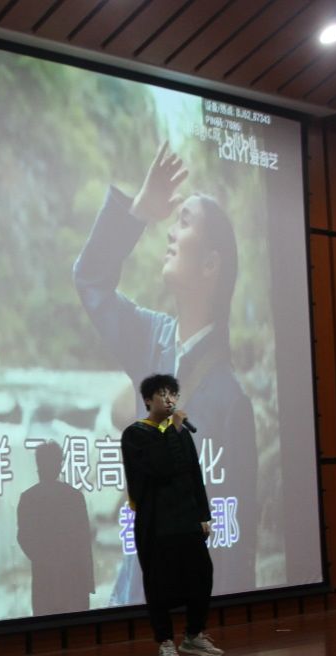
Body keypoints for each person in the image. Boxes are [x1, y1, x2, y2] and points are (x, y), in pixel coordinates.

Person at [75, 141, 258, 600]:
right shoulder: (150, 338)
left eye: (185, 222)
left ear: (211, 264)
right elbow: (91, 280)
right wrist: (137, 214)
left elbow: (236, 550)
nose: (171, 233)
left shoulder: (231, 402)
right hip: (132, 593)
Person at [122, 373, 224, 656]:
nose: (169, 400)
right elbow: (159, 467)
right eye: (162, 394)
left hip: (186, 518)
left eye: (173, 394)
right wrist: (173, 429)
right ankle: (165, 642)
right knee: (158, 583)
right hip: (155, 522)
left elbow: (194, 474)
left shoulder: (179, 433)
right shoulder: (135, 434)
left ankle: (193, 634)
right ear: (147, 400)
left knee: (202, 574)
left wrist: (203, 515)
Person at [17, 442, 95, 616]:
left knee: (46, 630)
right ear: (59, 466)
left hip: (44, 582)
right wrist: (89, 583)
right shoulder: (75, 497)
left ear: (38, 467)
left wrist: (43, 558)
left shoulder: (28, 498)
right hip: (75, 583)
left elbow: (23, 538)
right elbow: (84, 543)